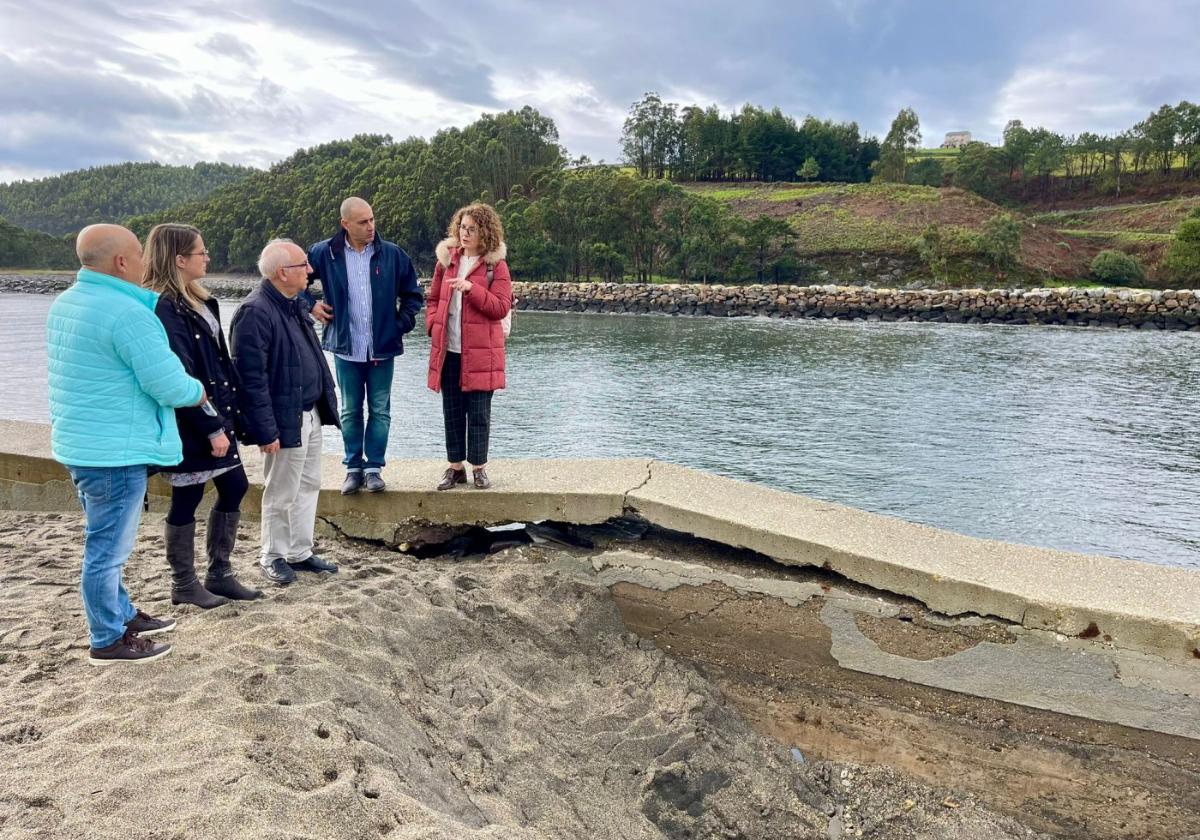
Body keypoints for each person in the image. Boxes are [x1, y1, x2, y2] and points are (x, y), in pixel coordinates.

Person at [47, 223, 208, 665]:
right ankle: (107, 639)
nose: (144, 261)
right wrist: (199, 391)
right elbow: (167, 383)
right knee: (107, 550)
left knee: (102, 539)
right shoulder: (126, 311)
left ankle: (119, 615)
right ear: (121, 262)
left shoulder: (65, 303)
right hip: (113, 450)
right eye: (138, 254)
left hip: (80, 443)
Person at [146, 223, 262, 607]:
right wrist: (211, 426)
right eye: (201, 252)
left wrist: (234, 415)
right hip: (193, 419)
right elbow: (182, 373)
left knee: (235, 486)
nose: (207, 257)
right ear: (180, 259)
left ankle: (220, 572)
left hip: (218, 409)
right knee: (188, 495)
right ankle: (183, 582)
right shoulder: (166, 307)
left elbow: (219, 362)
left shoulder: (200, 299)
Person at [231, 239, 340, 585]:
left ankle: (299, 551)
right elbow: (250, 379)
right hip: (284, 417)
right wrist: (266, 430)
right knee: (281, 489)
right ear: (282, 272)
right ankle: (273, 554)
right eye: (303, 266)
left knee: (308, 484)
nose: (310, 271)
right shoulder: (256, 311)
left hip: (308, 411)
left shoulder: (292, 304)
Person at [304, 197, 423, 496]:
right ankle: (352, 468)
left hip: (382, 347)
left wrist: (399, 325)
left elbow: (413, 296)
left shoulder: (393, 254)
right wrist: (310, 306)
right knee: (350, 410)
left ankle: (374, 469)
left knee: (380, 410)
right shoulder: (324, 253)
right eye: (362, 222)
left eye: (372, 219)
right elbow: (293, 280)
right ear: (345, 224)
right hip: (346, 347)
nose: (370, 226)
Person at [426, 203, 512, 491]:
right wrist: (432, 326)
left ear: (484, 232)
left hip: (481, 354)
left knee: (478, 413)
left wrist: (472, 289)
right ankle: (455, 468)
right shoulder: (445, 262)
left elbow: (500, 306)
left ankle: (479, 468)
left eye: (472, 229)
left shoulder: (495, 266)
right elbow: (434, 300)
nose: (465, 233)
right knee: (451, 411)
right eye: (462, 227)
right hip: (449, 350)